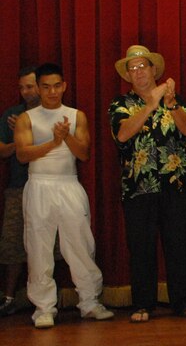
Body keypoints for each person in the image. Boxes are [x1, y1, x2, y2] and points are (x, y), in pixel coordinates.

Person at [14, 63, 114, 328]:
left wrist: (65, 136)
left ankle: (89, 302)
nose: (52, 92)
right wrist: (52, 143)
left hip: (68, 184)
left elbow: (83, 153)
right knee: (38, 246)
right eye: (46, 87)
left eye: (57, 86)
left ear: (64, 86)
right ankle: (44, 307)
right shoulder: (28, 118)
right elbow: (22, 155)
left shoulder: (75, 115)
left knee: (80, 243)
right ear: (38, 88)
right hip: (39, 185)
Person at [109, 45, 186, 322]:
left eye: (143, 66)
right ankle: (143, 303)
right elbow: (123, 135)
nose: (138, 72)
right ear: (128, 75)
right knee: (141, 247)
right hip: (139, 187)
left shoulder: (174, 100)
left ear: (153, 70)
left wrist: (170, 104)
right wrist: (150, 104)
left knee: (178, 245)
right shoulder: (120, 105)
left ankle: (183, 301)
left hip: (175, 185)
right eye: (133, 68)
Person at [0, 66, 40, 316]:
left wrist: (31, 134)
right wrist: (20, 137)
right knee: (13, 242)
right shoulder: (11, 115)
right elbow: (2, 151)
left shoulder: (53, 112)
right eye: (22, 87)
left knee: (49, 245)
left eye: (30, 86)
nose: (25, 92)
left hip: (48, 184)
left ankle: (48, 298)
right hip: (18, 187)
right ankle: (9, 297)